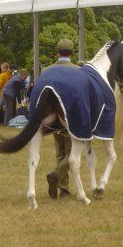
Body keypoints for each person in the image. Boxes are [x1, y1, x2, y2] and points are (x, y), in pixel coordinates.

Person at [45, 39, 80, 199]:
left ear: (57, 52)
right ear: (72, 52)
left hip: (53, 119)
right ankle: (56, 176)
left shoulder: (47, 70)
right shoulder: (78, 71)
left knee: (60, 152)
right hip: (71, 118)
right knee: (72, 153)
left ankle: (63, 188)